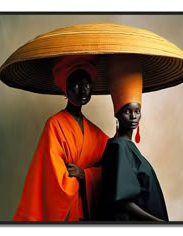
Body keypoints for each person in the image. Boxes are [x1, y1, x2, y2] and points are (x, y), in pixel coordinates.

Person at [13, 55, 109, 222]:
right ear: (66, 87)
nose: (83, 89)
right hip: (69, 213)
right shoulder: (54, 125)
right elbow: (54, 178)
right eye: (77, 83)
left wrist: (85, 174)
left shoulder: (96, 133)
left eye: (87, 83)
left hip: (90, 212)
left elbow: (112, 165)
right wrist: (83, 177)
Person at [99, 55, 169, 222]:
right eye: (127, 111)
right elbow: (123, 202)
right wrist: (157, 222)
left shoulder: (129, 147)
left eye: (137, 111)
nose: (133, 116)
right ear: (117, 114)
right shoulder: (118, 146)